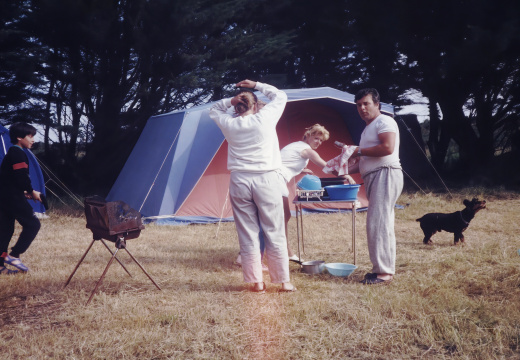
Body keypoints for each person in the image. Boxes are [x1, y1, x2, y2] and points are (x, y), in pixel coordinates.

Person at [209, 79, 296, 293]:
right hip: (267, 178)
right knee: (274, 230)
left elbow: (213, 109)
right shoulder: (264, 119)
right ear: (255, 106)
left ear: (237, 106)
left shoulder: (229, 123)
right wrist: (256, 84)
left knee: (247, 232)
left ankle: (257, 282)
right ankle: (284, 282)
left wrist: (231, 100)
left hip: (239, 180)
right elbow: (280, 95)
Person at [279, 124, 355, 262]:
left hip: (274, 179)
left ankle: (285, 251)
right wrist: (345, 176)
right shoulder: (307, 151)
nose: (318, 142)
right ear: (308, 135)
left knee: (283, 216)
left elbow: (285, 161)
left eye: (321, 140)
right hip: (275, 181)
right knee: (279, 218)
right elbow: (326, 167)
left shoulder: (296, 145)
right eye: (316, 138)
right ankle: (284, 253)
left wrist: (302, 170)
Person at [350, 88, 403, 285]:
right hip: (375, 175)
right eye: (358, 105)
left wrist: (358, 150)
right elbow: (364, 159)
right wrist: (337, 169)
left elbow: (387, 147)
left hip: (386, 173)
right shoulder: (368, 128)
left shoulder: (385, 121)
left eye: (366, 103)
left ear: (377, 104)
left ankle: (384, 273)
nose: (362, 108)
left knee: (378, 223)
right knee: (381, 222)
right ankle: (382, 269)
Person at [0, 122, 42, 275]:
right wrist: (31, 191)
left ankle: (0, 267)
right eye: (30, 136)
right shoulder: (17, 153)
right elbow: (21, 176)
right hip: (12, 198)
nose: (32, 140)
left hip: (5, 197)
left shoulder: (13, 152)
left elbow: (9, 179)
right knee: (33, 224)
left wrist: (24, 192)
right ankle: (14, 255)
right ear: (19, 137)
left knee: (5, 230)